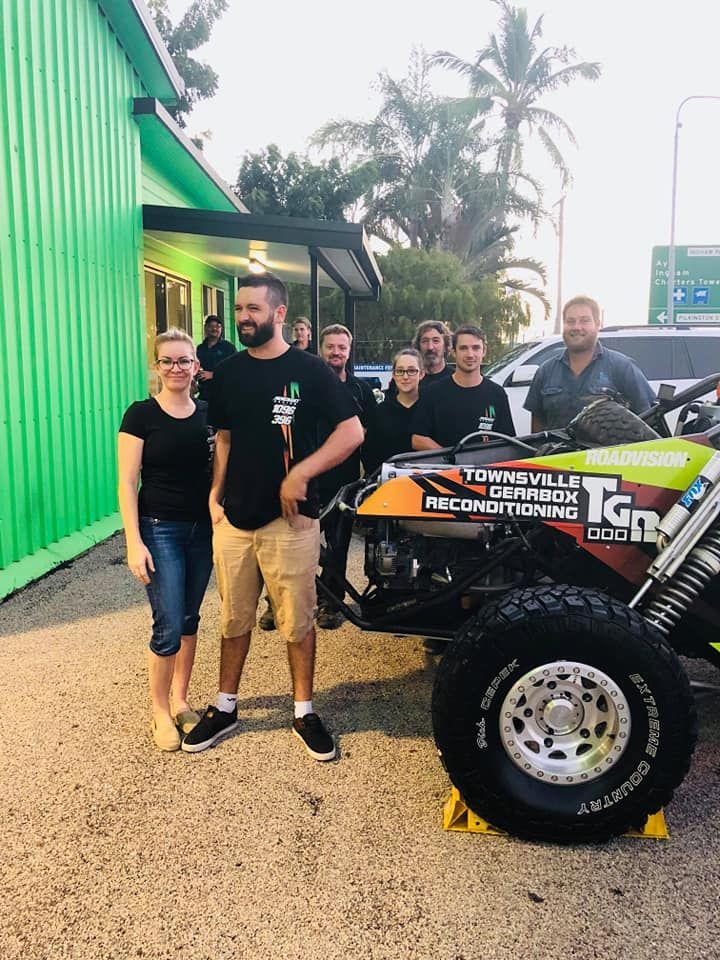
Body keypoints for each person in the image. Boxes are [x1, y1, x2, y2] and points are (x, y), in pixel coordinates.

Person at [182, 274, 363, 761]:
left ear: (279, 314)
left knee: (296, 622)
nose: (243, 317)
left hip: (293, 521)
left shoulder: (311, 370)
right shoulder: (231, 373)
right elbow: (223, 437)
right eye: (239, 308)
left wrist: (301, 472)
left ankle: (303, 711)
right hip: (236, 520)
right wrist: (215, 495)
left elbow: (352, 433)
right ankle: (225, 706)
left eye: (254, 310)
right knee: (235, 617)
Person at [118, 329, 214, 751]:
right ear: (156, 367)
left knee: (190, 619)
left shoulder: (209, 414)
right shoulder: (141, 414)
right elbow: (126, 482)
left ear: (196, 366)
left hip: (202, 531)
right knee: (169, 623)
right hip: (159, 529)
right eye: (167, 361)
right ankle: (158, 710)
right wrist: (133, 542)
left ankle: (179, 700)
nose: (176, 368)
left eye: (184, 361)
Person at [315, 323, 379, 629]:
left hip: (344, 482)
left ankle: (331, 603)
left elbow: (370, 433)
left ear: (349, 351)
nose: (336, 352)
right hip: (308, 479)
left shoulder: (361, 391)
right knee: (293, 544)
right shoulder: (306, 385)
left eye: (342, 347)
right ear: (321, 348)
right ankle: (281, 601)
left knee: (337, 546)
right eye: (331, 346)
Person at [525, 296, 656, 431]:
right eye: (570, 321)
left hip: (605, 452)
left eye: (584, 320)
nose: (576, 327)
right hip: (558, 452)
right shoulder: (545, 371)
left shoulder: (622, 367)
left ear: (597, 324)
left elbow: (647, 419)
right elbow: (537, 426)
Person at [412, 325, 515, 450]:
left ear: (484, 351)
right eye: (463, 348)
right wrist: (450, 459)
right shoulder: (432, 393)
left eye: (476, 348)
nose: (470, 354)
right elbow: (417, 439)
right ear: (454, 352)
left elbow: (508, 442)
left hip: (483, 467)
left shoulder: (497, 394)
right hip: (444, 468)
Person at [369, 347, 425, 466]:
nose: (405, 377)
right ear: (393, 375)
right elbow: (369, 453)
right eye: (400, 371)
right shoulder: (380, 412)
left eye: (411, 371)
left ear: (422, 374)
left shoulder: (430, 409)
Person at [196, 315, 236, 403]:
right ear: (205, 328)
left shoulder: (228, 348)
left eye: (218, 326)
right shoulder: (200, 349)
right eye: (211, 326)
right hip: (204, 395)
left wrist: (213, 375)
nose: (215, 329)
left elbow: (235, 371)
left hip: (223, 396)